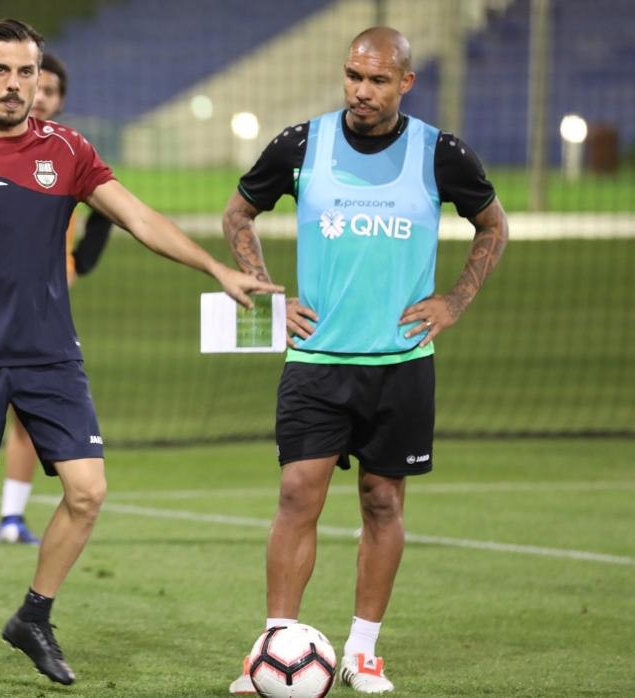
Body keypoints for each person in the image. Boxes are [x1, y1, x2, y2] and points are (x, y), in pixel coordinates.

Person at [0, 18, 279, 695]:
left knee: (87, 492)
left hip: (50, 356)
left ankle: (33, 616)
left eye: (24, 72)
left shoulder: (67, 151)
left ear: (39, 80)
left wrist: (215, 268)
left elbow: (140, 218)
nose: (11, 84)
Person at [221, 27, 507, 694]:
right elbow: (237, 215)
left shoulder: (440, 153)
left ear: (405, 83)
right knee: (296, 496)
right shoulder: (299, 145)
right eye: (353, 75)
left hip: (401, 364)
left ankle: (362, 653)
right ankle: (272, 647)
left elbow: (491, 223)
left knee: (382, 503)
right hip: (315, 361)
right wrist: (268, 300)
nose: (361, 90)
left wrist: (456, 299)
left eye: (377, 80)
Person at [0, 51, 115, 549]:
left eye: (48, 90)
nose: (38, 95)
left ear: (59, 99)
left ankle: (10, 517)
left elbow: (110, 209)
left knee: (28, 420)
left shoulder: (68, 154)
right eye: (33, 84)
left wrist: (79, 264)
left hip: (44, 311)